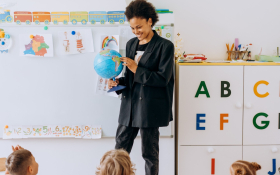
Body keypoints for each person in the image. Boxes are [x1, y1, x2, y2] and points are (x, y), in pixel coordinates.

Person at [108, 0, 175, 174]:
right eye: (132, 28)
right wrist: (117, 84)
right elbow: (129, 78)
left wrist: (136, 68)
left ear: (150, 21)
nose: (136, 32)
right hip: (129, 106)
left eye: (139, 27)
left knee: (150, 155)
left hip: (149, 109)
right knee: (118, 153)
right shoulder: (131, 44)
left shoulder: (165, 46)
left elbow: (162, 79)